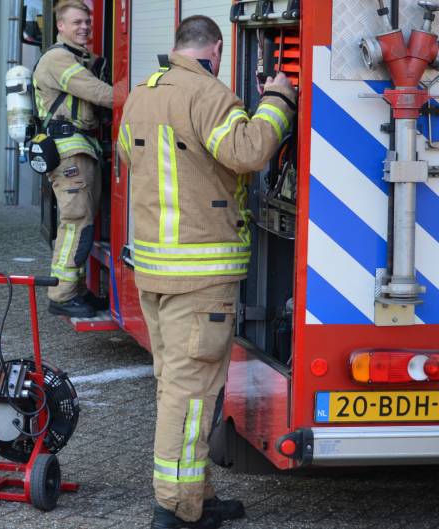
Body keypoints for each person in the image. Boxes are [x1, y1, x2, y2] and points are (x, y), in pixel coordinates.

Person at [116, 15, 296, 529]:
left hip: (154, 270)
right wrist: (278, 102)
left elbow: (133, 155)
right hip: (201, 274)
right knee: (191, 396)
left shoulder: (142, 94)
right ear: (216, 49)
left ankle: (196, 491)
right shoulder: (209, 94)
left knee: (174, 386)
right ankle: (176, 507)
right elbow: (248, 153)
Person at [33, 0, 113, 318]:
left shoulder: (78, 57)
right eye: (76, 22)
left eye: (87, 22)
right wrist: (142, 97)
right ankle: (62, 295)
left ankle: (76, 290)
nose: (84, 27)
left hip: (80, 149)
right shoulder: (58, 59)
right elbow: (97, 92)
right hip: (69, 152)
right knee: (76, 222)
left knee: (84, 223)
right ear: (61, 27)